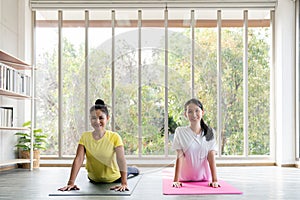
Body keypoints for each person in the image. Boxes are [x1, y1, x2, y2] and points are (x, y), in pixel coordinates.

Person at [58, 99, 139, 192]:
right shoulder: (85, 137)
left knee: (131, 170)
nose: (97, 121)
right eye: (93, 118)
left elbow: (121, 159)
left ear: (107, 118)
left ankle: (134, 169)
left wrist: (124, 183)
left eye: (101, 118)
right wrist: (70, 183)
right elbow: (79, 159)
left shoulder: (115, 137)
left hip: (115, 177)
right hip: (94, 179)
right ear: (90, 119)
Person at [172, 98, 220, 188]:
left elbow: (211, 156)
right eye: (190, 111)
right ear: (185, 114)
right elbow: (180, 156)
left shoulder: (210, 132)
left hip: (204, 178)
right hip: (184, 178)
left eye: (197, 110)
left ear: (202, 112)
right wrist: (176, 180)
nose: (194, 115)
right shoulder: (180, 131)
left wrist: (215, 180)